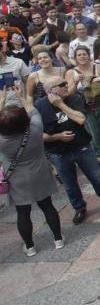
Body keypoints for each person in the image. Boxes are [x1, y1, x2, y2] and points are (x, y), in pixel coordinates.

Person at [34, 77, 100, 224]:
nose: (67, 86)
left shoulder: (74, 99)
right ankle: (79, 207)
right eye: (62, 85)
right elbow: (37, 134)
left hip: (82, 147)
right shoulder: (39, 105)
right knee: (69, 184)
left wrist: (60, 104)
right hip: (59, 152)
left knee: (96, 177)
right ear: (50, 90)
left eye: (66, 83)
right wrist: (57, 137)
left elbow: (80, 119)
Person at [0, 89, 63, 257]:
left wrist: (1, 100)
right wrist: (21, 96)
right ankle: (58, 239)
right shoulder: (35, 129)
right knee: (47, 206)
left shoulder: (2, 141)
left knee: (23, 213)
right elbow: (33, 110)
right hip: (40, 174)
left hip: (17, 181)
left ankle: (30, 246)